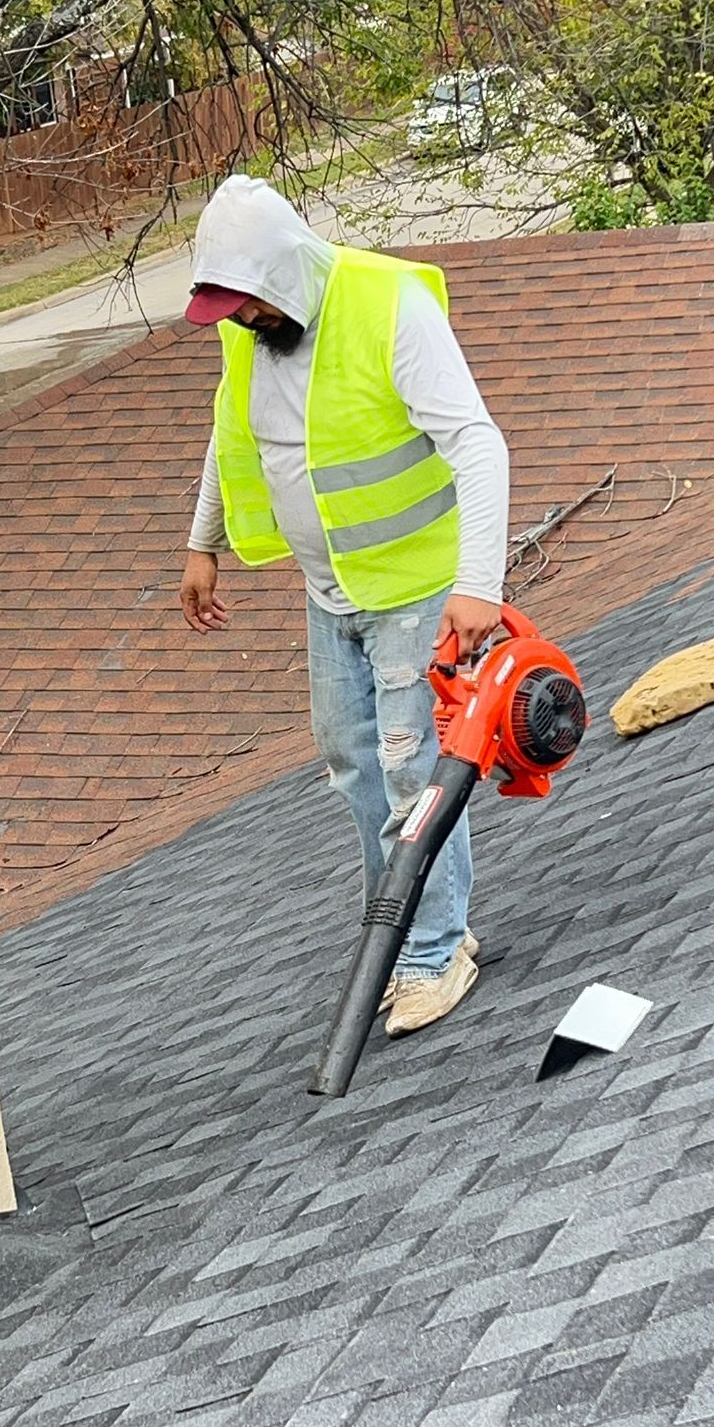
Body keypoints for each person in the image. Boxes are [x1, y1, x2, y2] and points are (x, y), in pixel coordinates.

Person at [179, 175, 509, 1036]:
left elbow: (476, 442)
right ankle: (398, 939)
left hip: (416, 595)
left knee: (412, 775)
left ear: (283, 276)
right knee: (357, 771)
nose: (241, 321)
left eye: (247, 304)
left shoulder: (388, 305)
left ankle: (436, 954)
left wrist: (480, 583)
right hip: (331, 597)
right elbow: (232, 433)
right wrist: (201, 541)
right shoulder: (253, 334)